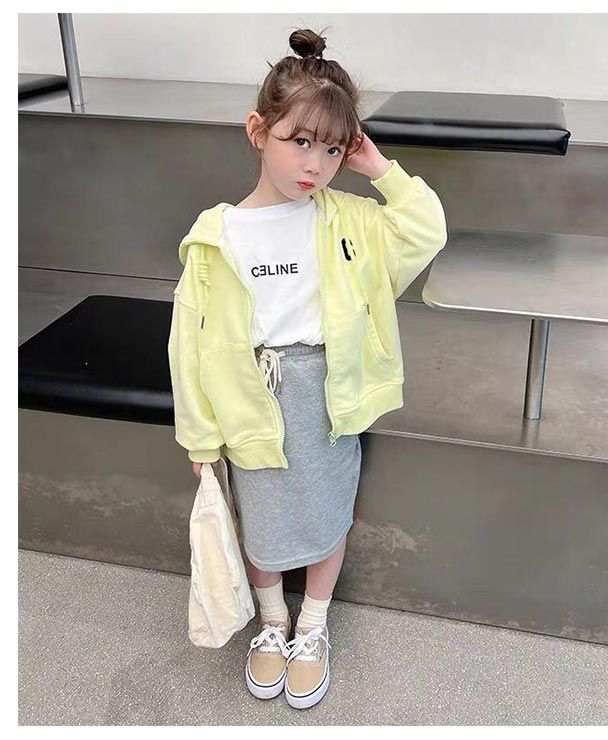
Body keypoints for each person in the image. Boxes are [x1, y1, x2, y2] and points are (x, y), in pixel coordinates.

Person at [167, 27, 447, 710]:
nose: (314, 164)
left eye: (332, 149)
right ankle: (272, 621)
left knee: (327, 516)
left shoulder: (350, 219)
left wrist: (379, 168)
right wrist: (200, 436)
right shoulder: (216, 235)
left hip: (327, 392)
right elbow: (189, 344)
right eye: (299, 141)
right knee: (260, 521)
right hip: (250, 396)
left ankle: (313, 626)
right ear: (257, 131)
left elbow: (426, 231)